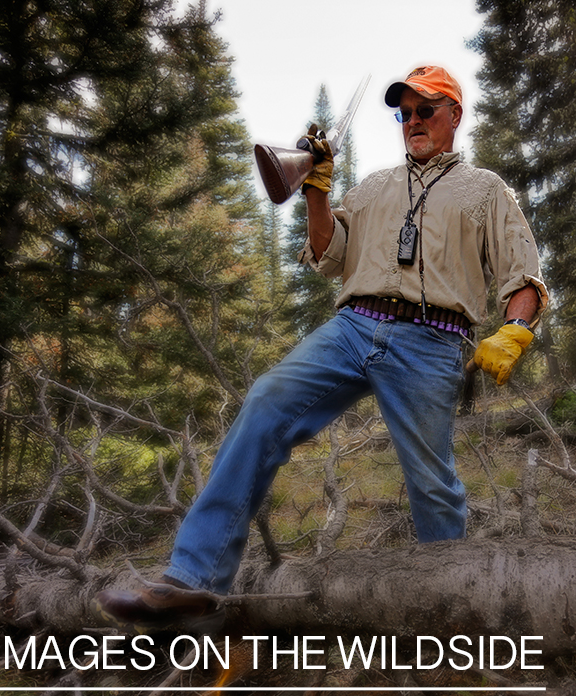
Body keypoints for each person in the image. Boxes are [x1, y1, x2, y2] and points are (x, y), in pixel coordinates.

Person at [96, 65, 548, 632]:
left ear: (454, 115)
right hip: (353, 326)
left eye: (425, 110)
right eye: (404, 113)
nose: (412, 121)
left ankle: (448, 617)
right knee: (266, 402)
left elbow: (524, 275)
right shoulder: (374, 187)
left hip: (432, 339)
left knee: (432, 484)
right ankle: (193, 579)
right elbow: (327, 253)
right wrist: (317, 189)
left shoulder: (485, 190)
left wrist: (515, 329)